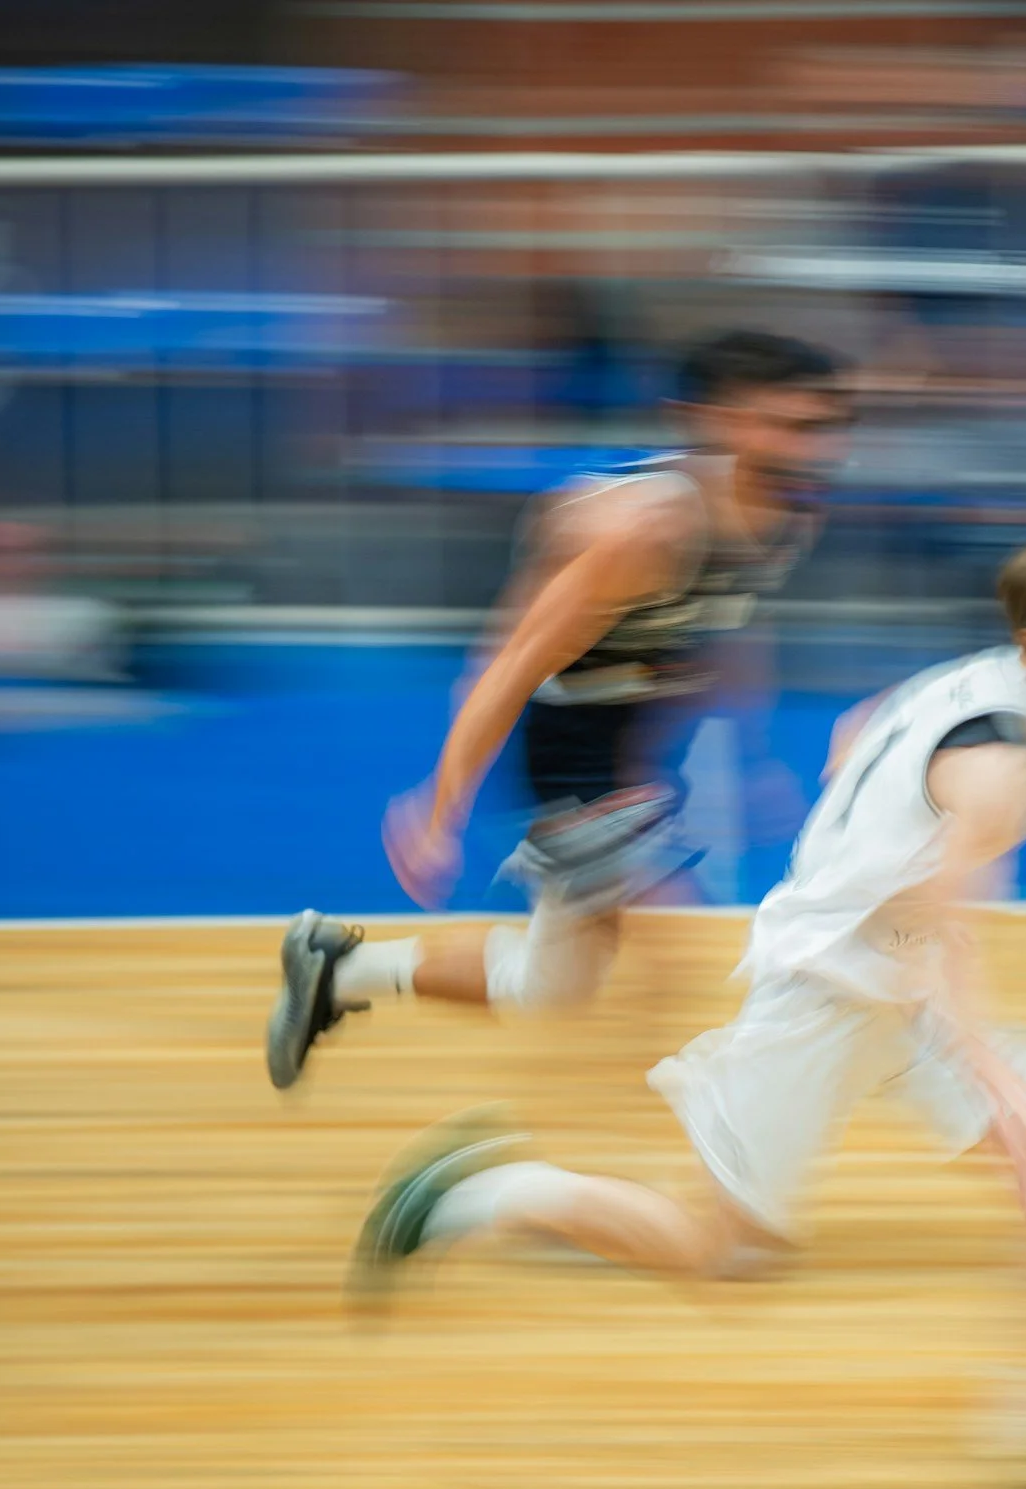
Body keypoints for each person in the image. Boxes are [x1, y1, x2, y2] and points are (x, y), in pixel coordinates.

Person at [348, 525, 1026, 1489]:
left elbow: (856, 730)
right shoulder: (1006, 768)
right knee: (726, 1252)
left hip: (885, 985)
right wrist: (990, 1067)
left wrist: (864, 832)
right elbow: (950, 926)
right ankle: (474, 1192)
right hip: (827, 994)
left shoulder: (978, 677)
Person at [268, 330, 851, 1090]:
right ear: (719, 421)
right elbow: (507, 664)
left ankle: (339, 971)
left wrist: (749, 745)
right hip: (570, 743)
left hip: (631, 731)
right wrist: (438, 807)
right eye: (791, 424)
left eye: (824, 427)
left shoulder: (786, 515)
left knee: (552, 984)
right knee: (672, 932)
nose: (814, 446)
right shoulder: (645, 534)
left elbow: (730, 622)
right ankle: (710, 1112)